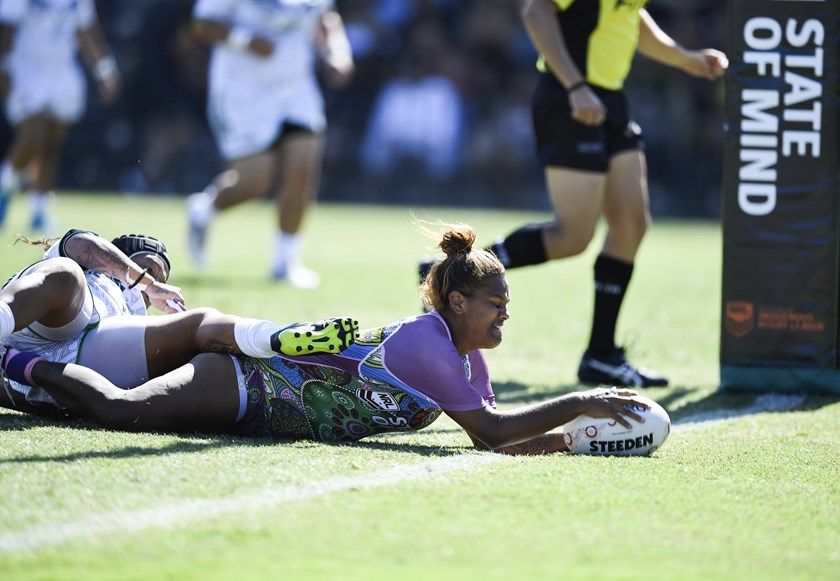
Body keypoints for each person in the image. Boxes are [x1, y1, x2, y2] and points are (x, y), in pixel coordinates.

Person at [1, 224, 650, 455]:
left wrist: (567, 438)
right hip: (249, 382)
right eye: (497, 305)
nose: (506, 316)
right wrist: (580, 400)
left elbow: (495, 433)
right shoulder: (428, 341)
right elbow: (489, 431)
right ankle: (14, 363)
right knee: (119, 411)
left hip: (267, 413)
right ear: (457, 301)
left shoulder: (465, 353)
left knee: (119, 406)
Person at [470, 0, 728, 388]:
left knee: (632, 224)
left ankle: (601, 356)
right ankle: (454, 273)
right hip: (570, 99)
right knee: (573, 237)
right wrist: (576, 86)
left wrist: (686, 59)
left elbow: (630, 17)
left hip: (610, 101)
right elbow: (535, 12)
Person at [0, 228, 358, 414]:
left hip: (87, 357)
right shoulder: (91, 262)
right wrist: (149, 282)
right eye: (149, 264)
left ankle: (279, 338)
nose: (157, 276)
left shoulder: (131, 317)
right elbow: (83, 244)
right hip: (43, 324)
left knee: (198, 323)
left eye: (161, 273)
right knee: (65, 275)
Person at [186, 0, 354, 288]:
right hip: (242, 89)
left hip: (295, 88)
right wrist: (247, 41)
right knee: (256, 181)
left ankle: (285, 264)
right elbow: (202, 24)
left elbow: (325, 16)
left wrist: (338, 51)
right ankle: (205, 208)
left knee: (302, 169)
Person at [0, 0, 121, 231]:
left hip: (62, 69)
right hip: (24, 68)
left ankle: (38, 210)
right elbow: (6, 28)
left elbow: (84, 28)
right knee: (32, 137)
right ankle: (5, 186)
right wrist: (4, 66)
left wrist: (104, 68)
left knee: (51, 144)